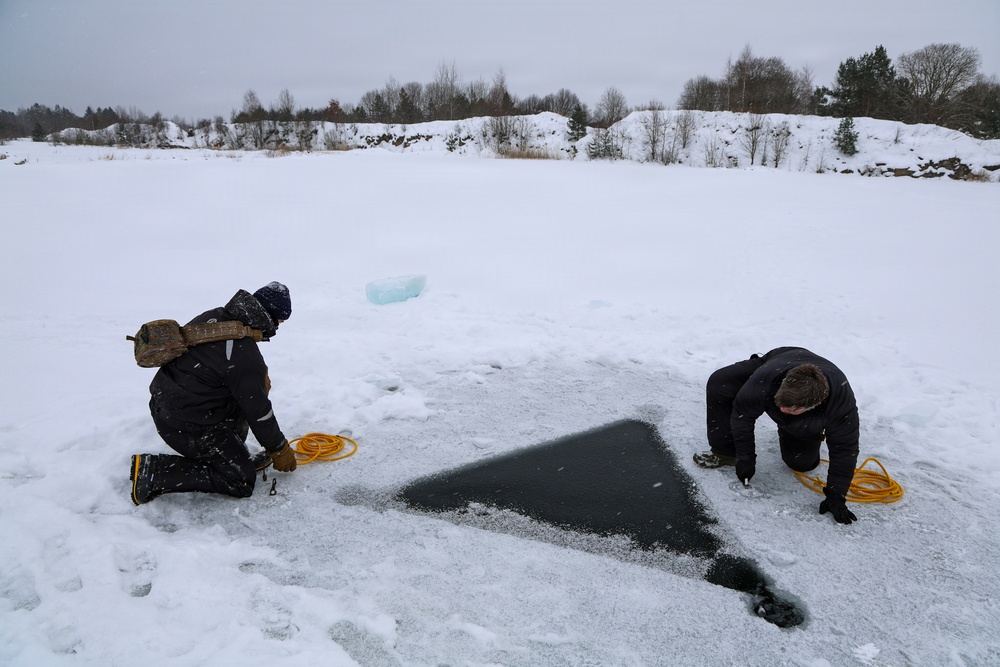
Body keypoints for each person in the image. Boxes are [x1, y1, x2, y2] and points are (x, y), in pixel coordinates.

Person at [130, 282, 297, 505]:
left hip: (168, 406)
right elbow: (259, 412)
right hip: (185, 425)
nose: (281, 324)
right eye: (280, 319)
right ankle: (155, 473)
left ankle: (231, 456)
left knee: (241, 396)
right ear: (269, 316)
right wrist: (279, 449)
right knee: (241, 481)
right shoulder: (243, 356)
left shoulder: (216, 318)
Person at [695, 347, 860, 525]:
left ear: (815, 405)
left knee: (801, 462)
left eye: (789, 409)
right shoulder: (764, 381)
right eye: (780, 404)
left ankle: (796, 430)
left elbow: (845, 450)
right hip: (779, 360)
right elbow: (742, 416)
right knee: (720, 382)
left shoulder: (840, 405)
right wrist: (745, 458)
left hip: (808, 417)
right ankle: (725, 452)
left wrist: (836, 495)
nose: (782, 410)